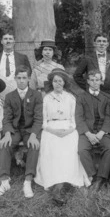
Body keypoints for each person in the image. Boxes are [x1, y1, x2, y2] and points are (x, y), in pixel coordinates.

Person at [34, 68, 90, 205]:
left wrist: (68, 131)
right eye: (55, 81)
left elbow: (73, 119)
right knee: (52, 149)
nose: (57, 84)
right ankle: (56, 184)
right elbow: (44, 121)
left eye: (60, 81)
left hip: (68, 129)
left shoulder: (70, 98)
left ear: (64, 83)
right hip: (50, 129)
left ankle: (69, 180)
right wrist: (53, 131)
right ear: (51, 83)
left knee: (69, 149)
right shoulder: (46, 98)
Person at [0, 65, 43, 198]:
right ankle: (4, 180)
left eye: (24, 78)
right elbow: (7, 118)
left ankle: (28, 180)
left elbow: (39, 118)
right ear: (15, 79)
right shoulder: (10, 96)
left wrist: (34, 135)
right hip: (15, 129)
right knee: (5, 144)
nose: (21, 81)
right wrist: (7, 134)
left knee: (34, 145)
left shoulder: (37, 95)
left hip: (29, 130)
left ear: (28, 79)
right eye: (19, 78)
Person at [75, 69, 110, 192]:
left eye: (97, 80)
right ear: (87, 81)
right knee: (82, 150)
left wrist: (102, 132)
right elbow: (79, 118)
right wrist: (88, 134)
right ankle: (92, 174)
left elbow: (109, 117)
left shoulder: (107, 98)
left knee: (109, 149)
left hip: (102, 131)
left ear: (101, 81)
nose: (94, 82)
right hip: (87, 132)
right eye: (92, 80)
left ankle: (100, 178)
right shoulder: (81, 97)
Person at [0, 30, 32, 99]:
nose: (8, 41)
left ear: (14, 42)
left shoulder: (22, 58)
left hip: (19, 95)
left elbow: (29, 74)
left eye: (10, 39)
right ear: (1, 41)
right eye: (5, 39)